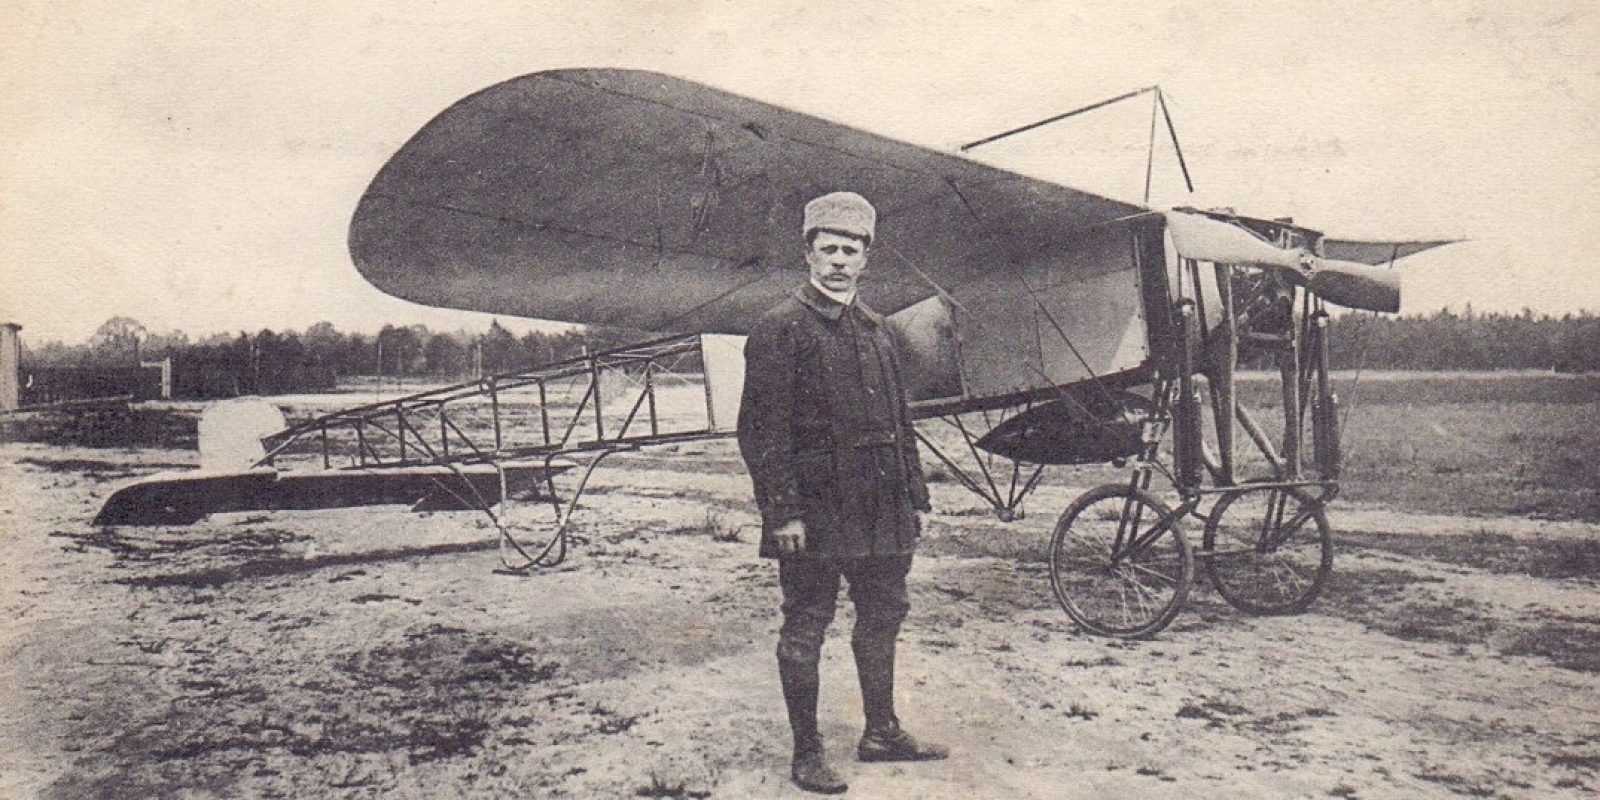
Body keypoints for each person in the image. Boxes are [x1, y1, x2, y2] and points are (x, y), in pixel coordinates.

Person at [737, 191, 948, 794]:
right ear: (807, 254)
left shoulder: (877, 330)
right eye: (826, 249)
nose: (837, 261)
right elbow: (760, 430)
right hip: (817, 512)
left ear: (865, 259)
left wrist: (915, 496)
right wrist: (783, 512)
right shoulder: (781, 328)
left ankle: (882, 732)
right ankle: (807, 753)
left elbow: (900, 423)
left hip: (882, 506)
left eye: (848, 250)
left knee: (884, 613)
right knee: (807, 623)